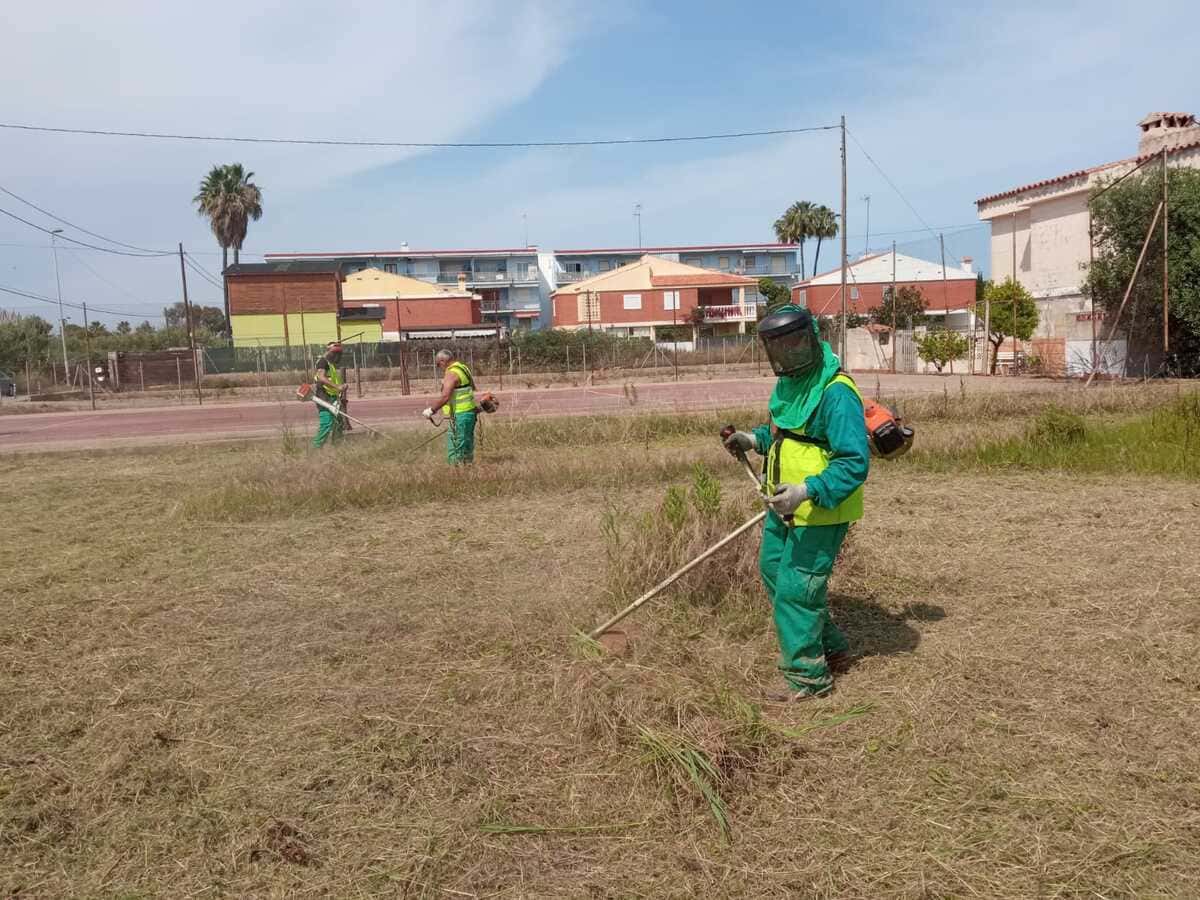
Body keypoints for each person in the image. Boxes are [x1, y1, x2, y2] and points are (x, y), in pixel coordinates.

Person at [723, 306, 869, 702]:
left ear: (812, 338)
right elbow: (785, 435)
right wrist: (752, 440)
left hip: (820, 509)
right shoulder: (789, 385)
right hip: (782, 504)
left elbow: (854, 462)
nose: (787, 352)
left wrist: (805, 491)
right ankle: (832, 647)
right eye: (778, 345)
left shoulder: (836, 392)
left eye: (795, 341)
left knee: (796, 589)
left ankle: (807, 679)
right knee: (773, 570)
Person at [421, 349, 478, 465]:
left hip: (460, 415)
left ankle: (455, 470)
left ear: (443, 361)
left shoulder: (451, 373)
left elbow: (445, 396)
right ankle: (468, 467)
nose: (439, 367)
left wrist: (431, 410)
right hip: (470, 413)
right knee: (467, 443)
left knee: (455, 445)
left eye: (438, 364)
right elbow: (472, 388)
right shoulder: (463, 368)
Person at [312, 341, 349, 449]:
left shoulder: (330, 364)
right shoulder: (322, 362)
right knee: (327, 423)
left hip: (332, 397)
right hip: (324, 397)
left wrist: (339, 391)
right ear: (331, 353)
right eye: (337, 354)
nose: (339, 357)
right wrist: (338, 387)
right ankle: (315, 448)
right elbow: (321, 377)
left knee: (338, 423)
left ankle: (337, 447)